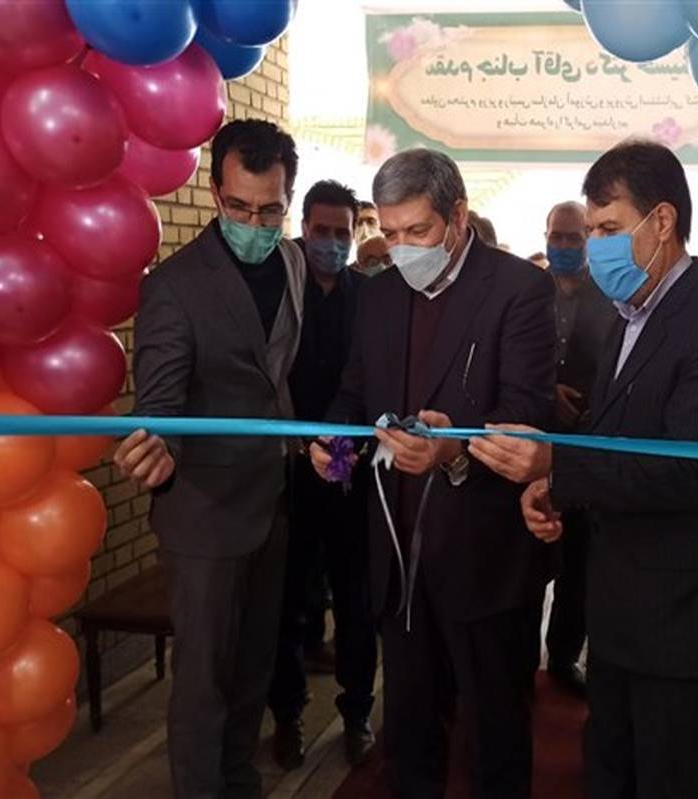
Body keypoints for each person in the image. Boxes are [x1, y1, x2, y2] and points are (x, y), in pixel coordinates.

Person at [468, 141, 698, 799]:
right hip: (618, 609)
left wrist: (560, 462)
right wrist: (552, 483)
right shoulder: (626, 319)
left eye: (608, 228)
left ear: (662, 221)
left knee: (668, 781)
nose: (596, 246)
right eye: (591, 229)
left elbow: (690, 471)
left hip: (681, 619)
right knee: (608, 773)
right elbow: (610, 438)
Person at [310, 148, 556, 798]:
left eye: (417, 231)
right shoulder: (379, 296)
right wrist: (333, 442)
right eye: (389, 233)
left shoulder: (518, 290)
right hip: (397, 554)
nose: (402, 249)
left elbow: (526, 411)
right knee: (410, 730)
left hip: (481, 556)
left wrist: (453, 451)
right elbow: (354, 395)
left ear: (458, 216)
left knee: (495, 733)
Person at [114, 119, 305, 798]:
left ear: (288, 197)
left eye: (269, 210)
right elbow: (159, 403)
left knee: (253, 666)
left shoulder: (293, 261)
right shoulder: (176, 286)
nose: (253, 223)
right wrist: (157, 448)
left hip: (272, 499)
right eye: (238, 207)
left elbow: (278, 374)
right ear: (217, 193)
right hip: (203, 511)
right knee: (204, 681)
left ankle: (238, 781)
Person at [268, 180, 378, 770]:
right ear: (303, 229)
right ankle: (287, 714)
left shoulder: (370, 298)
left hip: (350, 472)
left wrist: (343, 450)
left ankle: (357, 713)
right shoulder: (282, 293)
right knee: (289, 600)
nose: (332, 243)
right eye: (321, 231)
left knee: (356, 602)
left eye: (342, 233)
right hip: (290, 472)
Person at [542, 200, 615, 698]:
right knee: (525, 555)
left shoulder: (609, 295)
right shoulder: (526, 292)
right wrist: (546, 392)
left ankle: (563, 655)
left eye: (574, 238)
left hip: (588, 442)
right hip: (531, 438)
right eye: (558, 237)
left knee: (578, 559)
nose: (565, 246)